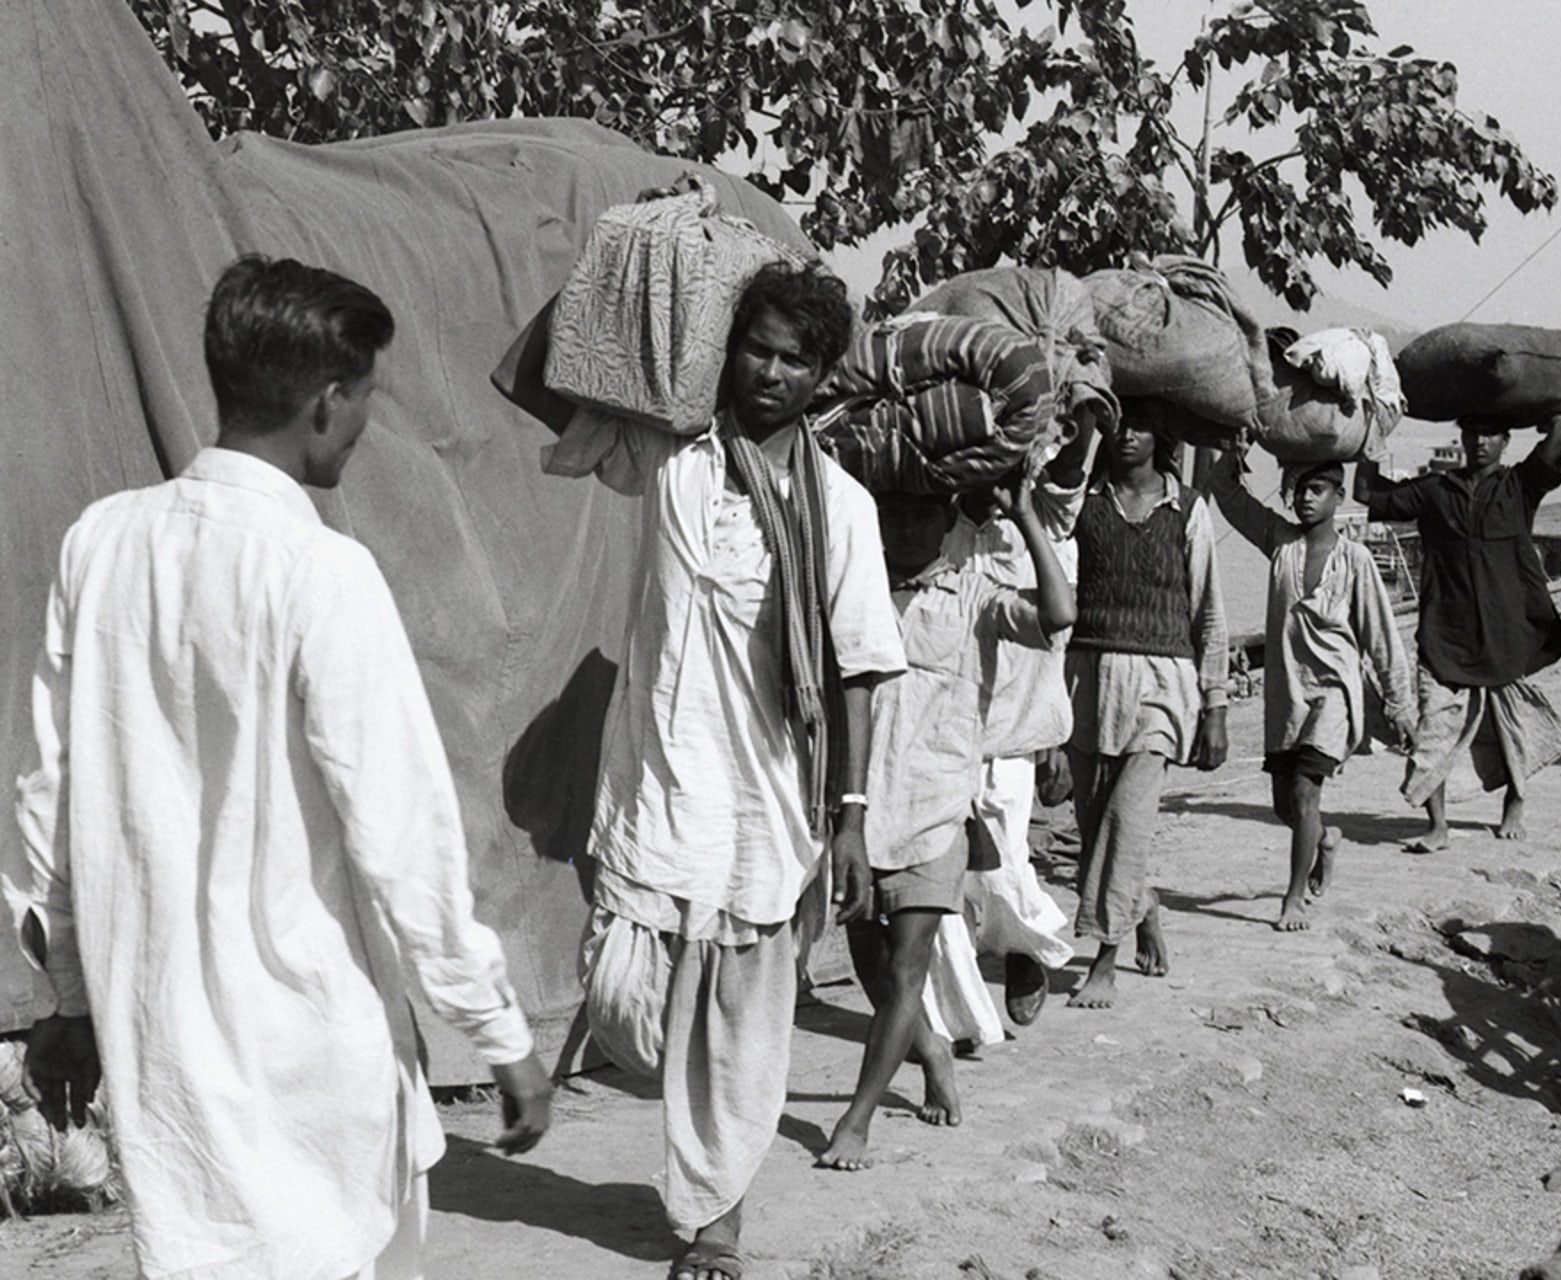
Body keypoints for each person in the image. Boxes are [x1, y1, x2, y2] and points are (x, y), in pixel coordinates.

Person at [8, 255, 552, 1280]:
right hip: (312, 1047)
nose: (361, 427)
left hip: (165, 1047)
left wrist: (75, 999)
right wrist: (496, 1029)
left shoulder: (101, 544)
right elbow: (403, 834)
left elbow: (47, 802)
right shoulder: (319, 570)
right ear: (327, 399)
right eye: (364, 402)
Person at [543, 261, 906, 1280]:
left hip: (764, 797)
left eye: (797, 359)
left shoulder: (840, 509)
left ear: (824, 376)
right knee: (621, 989)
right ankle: (705, 1153)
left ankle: (718, 1223)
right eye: (756, 347)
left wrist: (850, 814)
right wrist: (659, 264)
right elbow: (540, 380)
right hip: (653, 780)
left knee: (741, 1016)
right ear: (727, 348)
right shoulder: (667, 456)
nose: (773, 373)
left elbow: (859, 668)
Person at [818, 477, 1075, 1170]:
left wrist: (1023, 513)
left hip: (936, 809)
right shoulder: (850, 590)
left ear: (947, 520)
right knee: (870, 962)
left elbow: (1057, 614)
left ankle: (858, 1119)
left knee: (906, 968)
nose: (906, 528)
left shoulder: (976, 595)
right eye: (894, 512)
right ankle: (930, 1049)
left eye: (922, 512)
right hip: (854, 808)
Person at [1064, 402, 1229, 1006]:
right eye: (1117, 423)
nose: (1126, 434)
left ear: (1162, 436)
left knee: (1125, 824)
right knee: (1090, 826)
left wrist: (1216, 705)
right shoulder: (1084, 504)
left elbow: (1209, 610)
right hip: (1088, 677)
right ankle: (1143, 904)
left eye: (1139, 424)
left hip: (1162, 684)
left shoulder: (1187, 509)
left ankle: (1103, 962)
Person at [941, 414, 1100, 1027]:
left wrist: (1084, 413)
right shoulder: (943, 531)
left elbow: (1067, 476)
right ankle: (955, 1015)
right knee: (944, 877)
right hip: (944, 730)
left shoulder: (1046, 531)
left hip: (1012, 732)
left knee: (1002, 862)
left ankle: (1029, 948)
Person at [1355, 414, 1561, 852]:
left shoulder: (1520, 485)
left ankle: (1515, 800)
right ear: (1462, 438)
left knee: (1509, 725)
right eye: (1473, 433)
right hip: (1445, 629)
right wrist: (1371, 434)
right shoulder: (1436, 490)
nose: (1480, 441)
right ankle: (1438, 825)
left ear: (1506, 439)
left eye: (1490, 432)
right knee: (1433, 725)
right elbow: (1366, 493)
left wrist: (1551, 406)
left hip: (1504, 627)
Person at [1212, 454, 1414, 929]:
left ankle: (1293, 899)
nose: (1306, 498)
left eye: (1317, 489)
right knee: (1286, 805)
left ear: (1338, 497)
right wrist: (1231, 450)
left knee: (1305, 792)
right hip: (1286, 696)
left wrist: (1399, 703)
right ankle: (1323, 840)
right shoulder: (1280, 543)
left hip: (1334, 695)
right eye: (1298, 489)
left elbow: (1382, 635)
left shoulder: (1356, 560)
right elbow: (1228, 496)